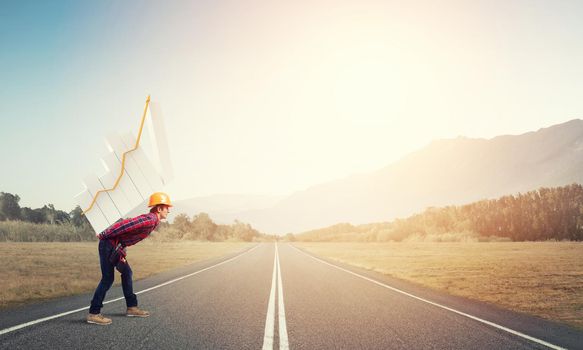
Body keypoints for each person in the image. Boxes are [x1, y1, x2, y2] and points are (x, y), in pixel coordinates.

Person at [86, 192, 172, 325]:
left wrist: (122, 250)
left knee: (127, 273)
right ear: (159, 209)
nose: (169, 210)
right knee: (107, 279)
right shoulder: (150, 219)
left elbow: (126, 236)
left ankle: (131, 307)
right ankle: (94, 313)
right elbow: (126, 225)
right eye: (167, 207)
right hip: (108, 244)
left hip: (115, 247)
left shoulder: (153, 221)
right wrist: (104, 234)